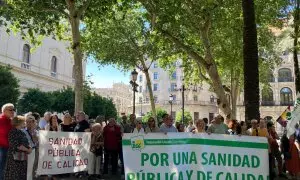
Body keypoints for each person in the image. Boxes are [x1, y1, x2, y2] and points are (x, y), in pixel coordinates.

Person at [4, 116, 32, 180]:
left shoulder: (22, 132)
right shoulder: (13, 132)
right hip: (14, 159)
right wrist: (27, 149)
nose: (25, 123)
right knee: (14, 176)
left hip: (23, 159)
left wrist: (29, 148)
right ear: (18, 122)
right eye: (23, 122)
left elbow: (26, 143)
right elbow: (16, 146)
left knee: (22, 175)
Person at [0, 103, 14, 180]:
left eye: (13, 110)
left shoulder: (11, 121)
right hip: (2, 148)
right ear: (4, 111)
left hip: (10, 149)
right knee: (2, 169)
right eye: (10, 110)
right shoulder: (0, 120)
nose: (13, 111)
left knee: (7, 170)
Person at [23, 115, 38, 180]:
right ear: (25, 122)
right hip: (24, 151)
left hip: (32, 151)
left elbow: (36, 142)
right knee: (24, 168)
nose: (29, 123)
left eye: (31, 121)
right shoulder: (22, 131)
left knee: (30, 168)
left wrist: (33, 131)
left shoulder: (35, 131)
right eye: (28, 121)